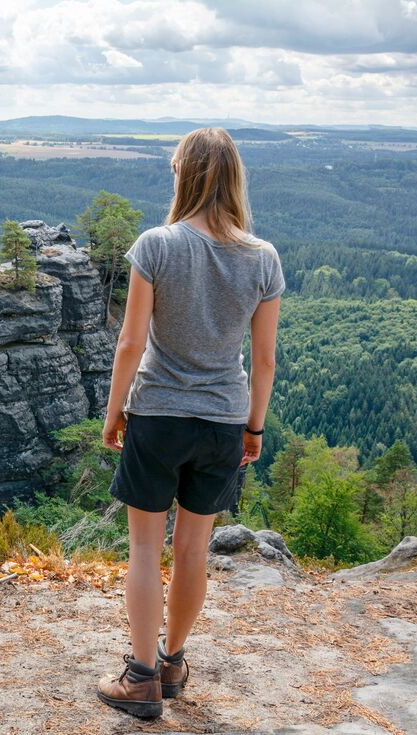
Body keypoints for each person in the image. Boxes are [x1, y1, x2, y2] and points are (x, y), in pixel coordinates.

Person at [95, 128, 284, 720]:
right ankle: (174, 663)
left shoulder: (156, 245)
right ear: (233, 179)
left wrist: (114, 410)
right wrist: (253, 428)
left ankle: (141, 678)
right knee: (194, 550)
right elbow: (265, 360)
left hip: (157, 415)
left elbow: (130, 343)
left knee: (146, 550)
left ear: (187, 175)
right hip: (223, 421)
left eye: (176, 169)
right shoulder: (262, 257)